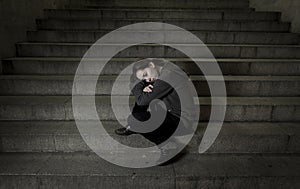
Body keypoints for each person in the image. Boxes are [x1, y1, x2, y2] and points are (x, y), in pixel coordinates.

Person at [115, 58, 196, 149]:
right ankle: (134, 126)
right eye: (144, 79)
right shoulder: (161, 72)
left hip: (182, 121)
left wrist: (141, 90)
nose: (147, 79)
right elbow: (133, 79)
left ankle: (167, 146)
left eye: (146, 75)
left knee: (136, 117)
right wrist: (143, 88)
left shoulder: (169, 76)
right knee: (145, 93)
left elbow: (142, 101)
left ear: (151, 65)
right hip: (169, 113)